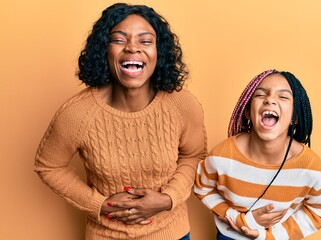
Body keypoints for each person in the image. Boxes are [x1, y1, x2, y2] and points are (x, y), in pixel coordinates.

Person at [34, 3, 207, 240]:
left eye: (145, 41)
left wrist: (168, 199)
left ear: (159, 52)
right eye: (119, 39)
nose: (132, 48)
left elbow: (194, 155)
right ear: (104, 50)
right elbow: (49, 166)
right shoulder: (78, 113)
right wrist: (100, 204)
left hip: (172, 233)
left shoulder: (182, 105)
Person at [194, 69, 321, 239]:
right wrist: (238, 219)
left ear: (295, 117)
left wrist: (272, 235)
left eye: (283, 97)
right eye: (261, 95)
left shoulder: (311, 168)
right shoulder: (221, 156)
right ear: (248, 112)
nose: (270, 100)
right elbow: (203, 188)